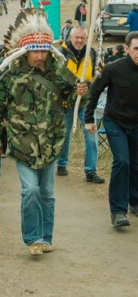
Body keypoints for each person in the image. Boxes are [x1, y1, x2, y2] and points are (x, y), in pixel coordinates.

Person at [0, 10, 88, 256]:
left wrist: (82, 93)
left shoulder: (59, 72)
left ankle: (46, 237)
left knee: (48, 194)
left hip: (52, 143)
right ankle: (33, 238)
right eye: (35, 51)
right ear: (26, 52)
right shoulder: (10, 77)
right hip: (22, 145)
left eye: (43, 51)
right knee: (30, 190)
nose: (40, 56)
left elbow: (74, 98)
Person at [85, 32, 138, 228]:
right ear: (127, 49)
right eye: (136, 49)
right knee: (122, 161)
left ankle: (135, 201)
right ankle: (117, 211)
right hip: (115, 121)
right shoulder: (113, 69)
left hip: (136, 123)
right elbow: (95, 90)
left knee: (136, 164)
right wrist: (89, 118)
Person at [55, 26, 104, 183]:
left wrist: (89, 87)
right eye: (77, 37)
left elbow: (97, 76)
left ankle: (91, 170)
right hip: (66, 101)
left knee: (91, 134)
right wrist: (72, 88)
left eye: (83, 38)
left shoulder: (92, 52)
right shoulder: (61, 53)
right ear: (70, 37)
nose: (79, 41)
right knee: (65, 133)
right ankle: (61, 163)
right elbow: (56, 77)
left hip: (86, 102)